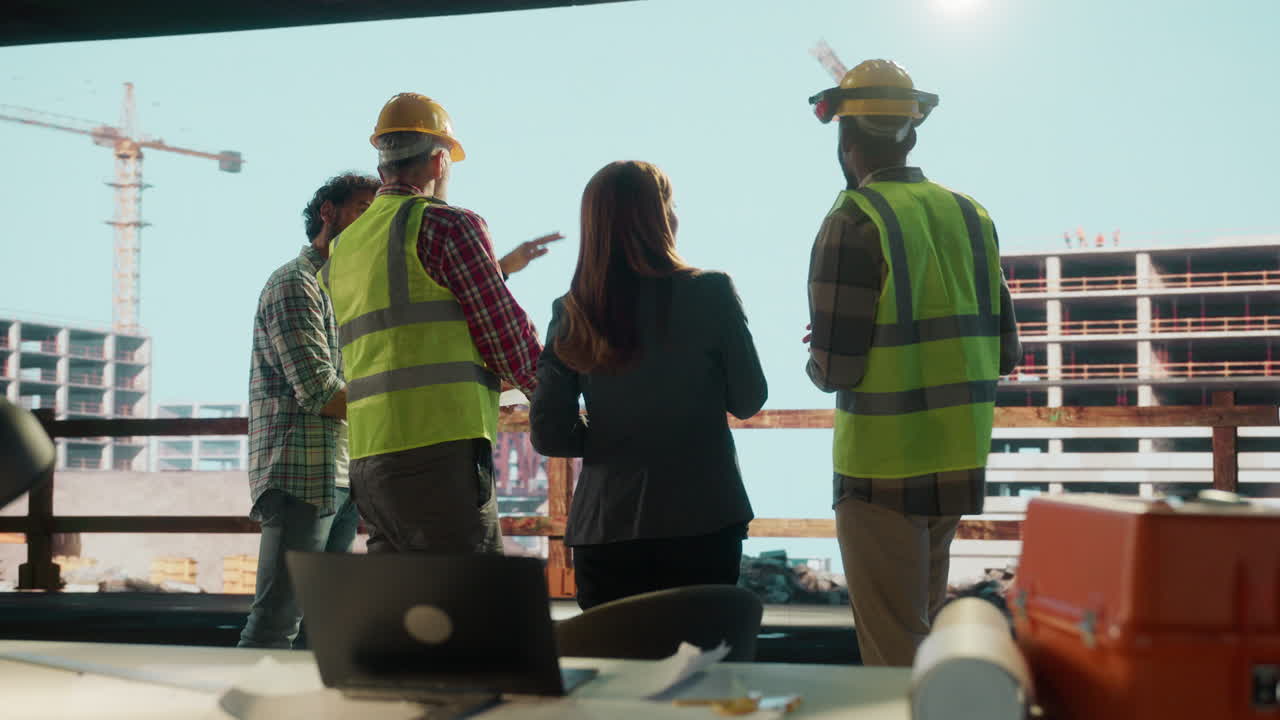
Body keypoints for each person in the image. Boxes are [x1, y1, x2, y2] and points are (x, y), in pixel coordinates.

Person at [804, 59, 1021, 666]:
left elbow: (835, 370)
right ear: (914, 132)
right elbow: (1005, 349)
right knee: (922, 646)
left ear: (846, 139)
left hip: (880, 468)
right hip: (953, 460)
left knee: (892, 654)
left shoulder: (852, 219)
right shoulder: (972, 216)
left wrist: (824, 344)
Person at [318, 93, 549, 554]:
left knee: (407, 611)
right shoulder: (448, 225)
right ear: (440, 161)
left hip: (370, 459)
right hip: (439, 455)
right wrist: (555, 394)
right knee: (470, 606)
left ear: (382, 164)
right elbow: (504, 333)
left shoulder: (344, 249)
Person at [530, 161, 767, 610]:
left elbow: (549, 433)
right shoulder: (712, 291)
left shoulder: (572, 311)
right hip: (704, 516)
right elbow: (749, 399)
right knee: (701, 665)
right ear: (661, 218)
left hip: (606, 528)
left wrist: (610, 434)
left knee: (616, 671)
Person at [240, 173, 377, 649]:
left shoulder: (348, 290)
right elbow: (320, 391)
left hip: (343, 471)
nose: (370, 222)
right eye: (362, 208)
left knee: (319, 627)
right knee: (277, 622)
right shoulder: (294, 284)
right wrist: (397, 405)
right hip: (301, 471)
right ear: (328, 213)